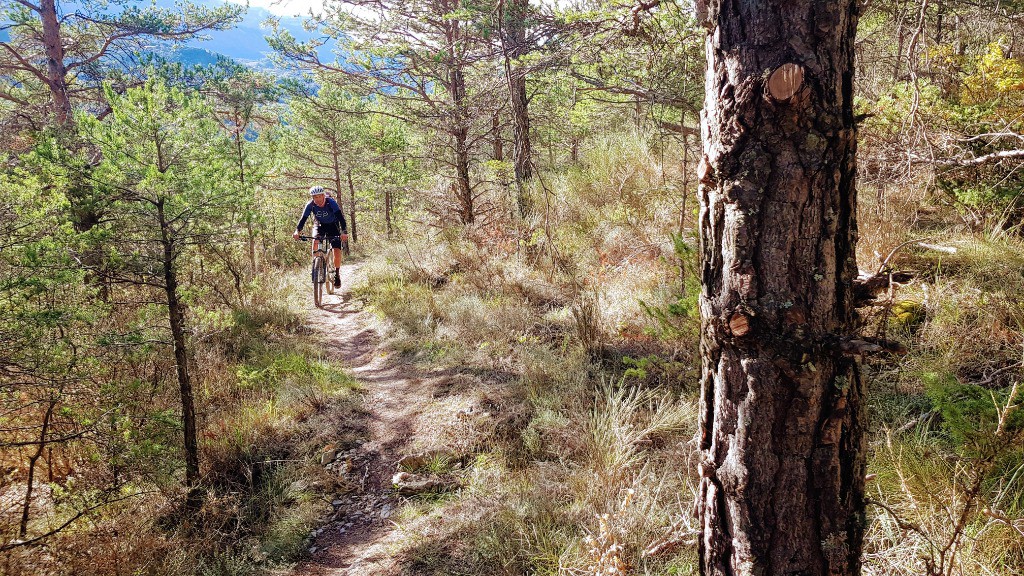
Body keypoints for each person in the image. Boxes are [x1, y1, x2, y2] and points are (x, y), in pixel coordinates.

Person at [293, 185, 348, 287]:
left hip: (333, 225)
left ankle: (337, 273)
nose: (317, 199)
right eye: (315, 197)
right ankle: (316, 266)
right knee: (315, 241)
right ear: (312, 198)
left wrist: (344, 232)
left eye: (319, 196)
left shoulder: (330, 202)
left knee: (336, 249)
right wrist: (297, 231)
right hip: (319, 225)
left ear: (323, 195)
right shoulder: (310, 205)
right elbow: (303, 219)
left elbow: (341, 218)